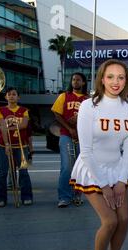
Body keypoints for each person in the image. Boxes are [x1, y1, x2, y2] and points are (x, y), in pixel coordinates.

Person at [69, 59, 128, 250]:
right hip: (92, 170)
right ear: (102, 79)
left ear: (126, 81)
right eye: (110, 77)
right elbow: (85, 151)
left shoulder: (127, 108)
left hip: (117, 171)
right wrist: (104, 185)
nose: (115, 82)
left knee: (124, 219)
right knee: (110, 221)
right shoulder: (89, 106)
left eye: (121, 77)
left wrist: (120, 181)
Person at [51, 72, 89, 208]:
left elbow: (92, 118)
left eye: (78, 80)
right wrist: (70, 127)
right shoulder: (64, 96)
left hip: (83, 137)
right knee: (67, 167)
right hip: (66, 134)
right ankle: (64, 197)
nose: (75, 82)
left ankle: (77, 195)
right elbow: (56, 113)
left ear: (83, 82)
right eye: (73, 79)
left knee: (80, 168)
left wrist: (79, 121)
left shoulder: (87, 99)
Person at [0, 87, 33, 207]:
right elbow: (2, 127)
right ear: (6, 97)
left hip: (22, 145)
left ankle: (26, 197)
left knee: (23, 172)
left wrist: (7, 128)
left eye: (14, 94)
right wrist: (6, 144)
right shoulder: (0, 110)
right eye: (9, 94)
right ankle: (0, 198)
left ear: (18, 97)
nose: (11, 96)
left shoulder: (24, 110)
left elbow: (24, 125)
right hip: (4, 145)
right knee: (2, 172)